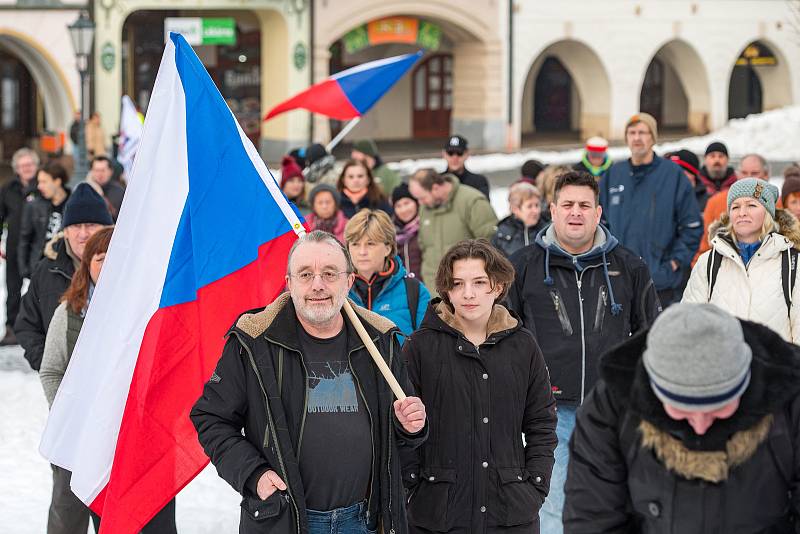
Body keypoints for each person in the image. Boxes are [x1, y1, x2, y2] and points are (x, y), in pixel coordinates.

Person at [191, 230, 427, 534]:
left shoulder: (381, 341)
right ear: (289, 283)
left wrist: (410, 426)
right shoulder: (254, 342)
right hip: (284, 519)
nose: (318, 285)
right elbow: (211, 418)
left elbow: (403, 432)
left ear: (349, 281)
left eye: (330, 274)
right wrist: (253, 474)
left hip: (365, 521)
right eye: (305, 274)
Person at [508, 171, 661, 534]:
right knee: (552, 504)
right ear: (553, 210)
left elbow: (652, 335)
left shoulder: (629, 265)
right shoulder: (523, 265)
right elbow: (505, 337)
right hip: (546, 411)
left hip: (612, 408)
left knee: (614, 501)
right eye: (568, 205)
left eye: (584, 205)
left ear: (598, 212)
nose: (576, 212)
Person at [564, 303, 800, 533]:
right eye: (682, 410)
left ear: (744, 385)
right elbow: (593, 518)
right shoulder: (610, 409)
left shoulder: (792, 403)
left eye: (718, 408)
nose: (699, 426)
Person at [402, 239, 557, 533]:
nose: (468, 293)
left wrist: (535, 487)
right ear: (447, 290)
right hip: (436, 514)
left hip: (511, 513)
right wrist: (412, 487)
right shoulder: (419, 347)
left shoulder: (524, 346)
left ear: (497, 287)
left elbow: (542, 425)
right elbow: (400, 428)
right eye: (458, 283)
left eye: (479, 282)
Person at [40, 225, 177, 534]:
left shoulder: (149, 310)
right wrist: (67, 413)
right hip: (78, 439)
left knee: (132, 520)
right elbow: (51, 369)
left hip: (135, 438)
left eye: (115, 257)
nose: (107, 265)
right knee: (68, 518)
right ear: (87, 264)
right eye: (100, 257)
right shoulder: (70, 312)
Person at [599, 112, 702, 306]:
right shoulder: (613, 175)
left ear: (653, 138)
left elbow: (692, 226)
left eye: (643, 132)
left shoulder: (673, 175)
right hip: (616, 280)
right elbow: (599, 224)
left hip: (660, 283)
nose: (637, 138)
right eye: (632, 132)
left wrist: (674, 263)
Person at [683, 178, 800, 342]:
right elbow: (688, 324)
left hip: (774, 367)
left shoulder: (792, 263)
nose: (742, 212)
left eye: (751, 205)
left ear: (767, 212)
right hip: (721, 365)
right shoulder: (708, 262)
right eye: (735, 206)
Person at [15, 183, 113, 371]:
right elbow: (26, 324)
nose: (83, 234)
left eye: (91, 225)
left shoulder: (125, 265)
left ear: (107, 227)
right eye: (76, 226)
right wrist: (49, 365)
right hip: (65, 389)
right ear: (65, 231)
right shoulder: (47, 270)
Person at [345, 209, 430, 336]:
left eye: (370, 244)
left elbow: (429, 345)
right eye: (355, 244)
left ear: (387, 248)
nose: (362, 252)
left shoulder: (415, 291)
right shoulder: (338, 291)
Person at [408, 169, 498, 288]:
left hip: (467, 288)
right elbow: (425, 246)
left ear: (435, 188)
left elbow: (490, 243)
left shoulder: (472, 201)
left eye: (422, 197)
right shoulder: (426, 207)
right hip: (434, 288)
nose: (420, 203)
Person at [693, 153, 771, 265]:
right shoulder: (716, 202)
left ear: (766, 175)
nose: (748, 177)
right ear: (737, 175)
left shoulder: (776, 204)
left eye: (754, 173)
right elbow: (704, 247)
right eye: (744, 173)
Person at [0, 148, 39, 345]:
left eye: (30, 165)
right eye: (23, 166)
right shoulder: (8, 189)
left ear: (36, 166)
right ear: (17, 169)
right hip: (15, 246)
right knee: (13, 288)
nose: (27, 169)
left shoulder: (43, 185)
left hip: (37, 247)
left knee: (39, 287)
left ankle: (37, 328)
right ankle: (11, 328)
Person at [19, 161, 71, 279]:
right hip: (39, 268)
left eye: (44, 182)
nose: (39, 186)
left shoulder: (74, 203)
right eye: (39, 182)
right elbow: (24, 238)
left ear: (57, 181)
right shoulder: (34, 206)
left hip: (66, 269)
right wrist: (24, 269)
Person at [492, 182, 546, 257]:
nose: (536, 211)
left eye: (537, 205)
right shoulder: (501, 234)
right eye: (529, 206)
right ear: (515, 209)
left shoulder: (548, 228)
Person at [392, 183, 423, 280]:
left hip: (426, 289)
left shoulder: (425, 226)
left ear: (416, 203)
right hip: (404, 290)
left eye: (407, 203)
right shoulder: (392, 232)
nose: (403, 209)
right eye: (398, 205)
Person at [87, 156, 126, 220]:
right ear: (91, 172)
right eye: (96, 170)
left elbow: (118, 217)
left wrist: (100, 195)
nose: (99, 174)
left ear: (111, 171)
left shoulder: (120, 192)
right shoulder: (85, 190)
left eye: (103, 170)